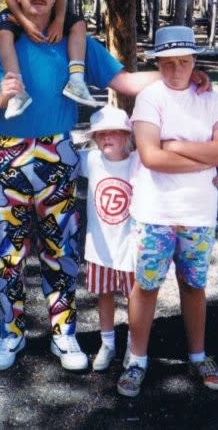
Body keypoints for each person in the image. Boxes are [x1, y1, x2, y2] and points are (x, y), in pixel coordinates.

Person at [0, 0, 211, 373]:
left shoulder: (73, 42)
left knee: (61, 250)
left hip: (58, 151)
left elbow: (125, 82)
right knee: (9, 253)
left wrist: (177, 75)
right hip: (6, 153)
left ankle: (64, 333)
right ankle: (11, 333)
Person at [116, 25, 218, 397]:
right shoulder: (150, 99)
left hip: (198, 213)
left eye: (184, 61)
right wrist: (205, 160)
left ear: (194, 61)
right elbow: (151, 156)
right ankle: (136, 358)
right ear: (158, 62)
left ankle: (199, 355)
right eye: (168, 62)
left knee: (194, 284)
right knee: (147, 285)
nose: (176, 69)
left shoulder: (210, 99)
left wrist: (176, 144)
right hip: (156, 211)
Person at [78, 105, 136, 371]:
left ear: (127, 136)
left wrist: (210, 175)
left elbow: (171, 170)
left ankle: (136, 345)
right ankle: (108, 343)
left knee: (134, 296)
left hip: (131, 246)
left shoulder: (139, 162)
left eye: (114, 132)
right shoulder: (90, 160)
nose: (107, 138)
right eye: (100, 134)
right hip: (99, 246)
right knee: (104, 294)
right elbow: (57, 159)